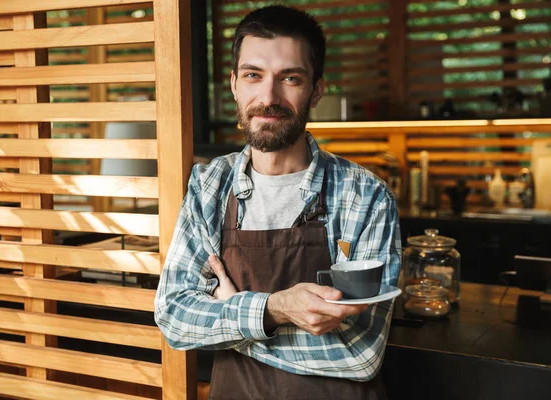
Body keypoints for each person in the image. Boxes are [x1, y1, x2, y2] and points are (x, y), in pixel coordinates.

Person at [154, 5, 401, 400]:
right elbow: (175, 319)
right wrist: (274, 309)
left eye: (290, 78)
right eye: (253, 75)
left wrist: (233, 314)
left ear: (316, 90)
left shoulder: (365, 196)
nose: (268, 97)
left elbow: (359, 354)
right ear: (234, 84)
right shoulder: (209, 186)